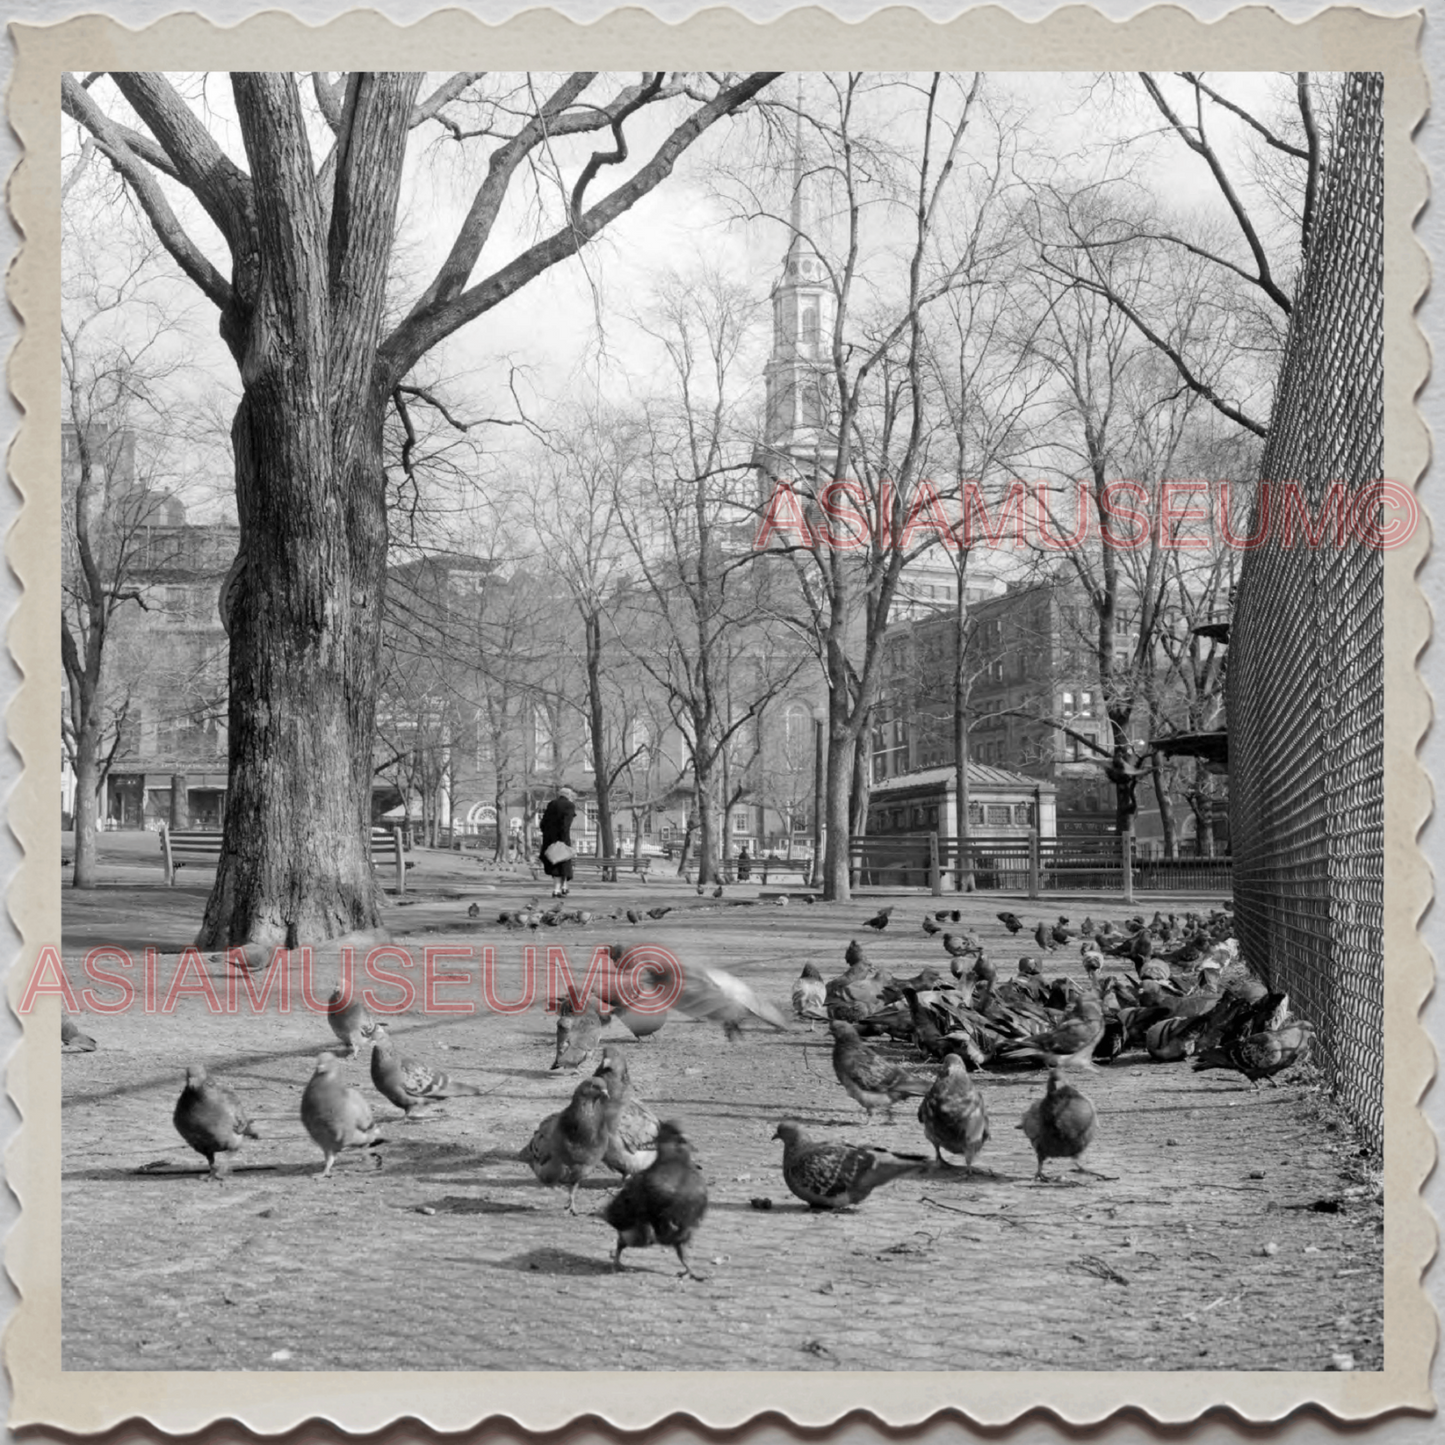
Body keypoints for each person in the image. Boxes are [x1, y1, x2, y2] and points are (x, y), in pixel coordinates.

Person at [540, 786, 578, 897]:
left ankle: (559, 888)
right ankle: (562, 887)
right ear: (569, 795)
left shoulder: (551, 804)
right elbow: (566, 824)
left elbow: (543, 823)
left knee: (554, 863)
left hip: (549, 839)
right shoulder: (569, 805)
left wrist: (547, 835)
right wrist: (564, 840)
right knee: (564, 863)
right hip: (562, 838)